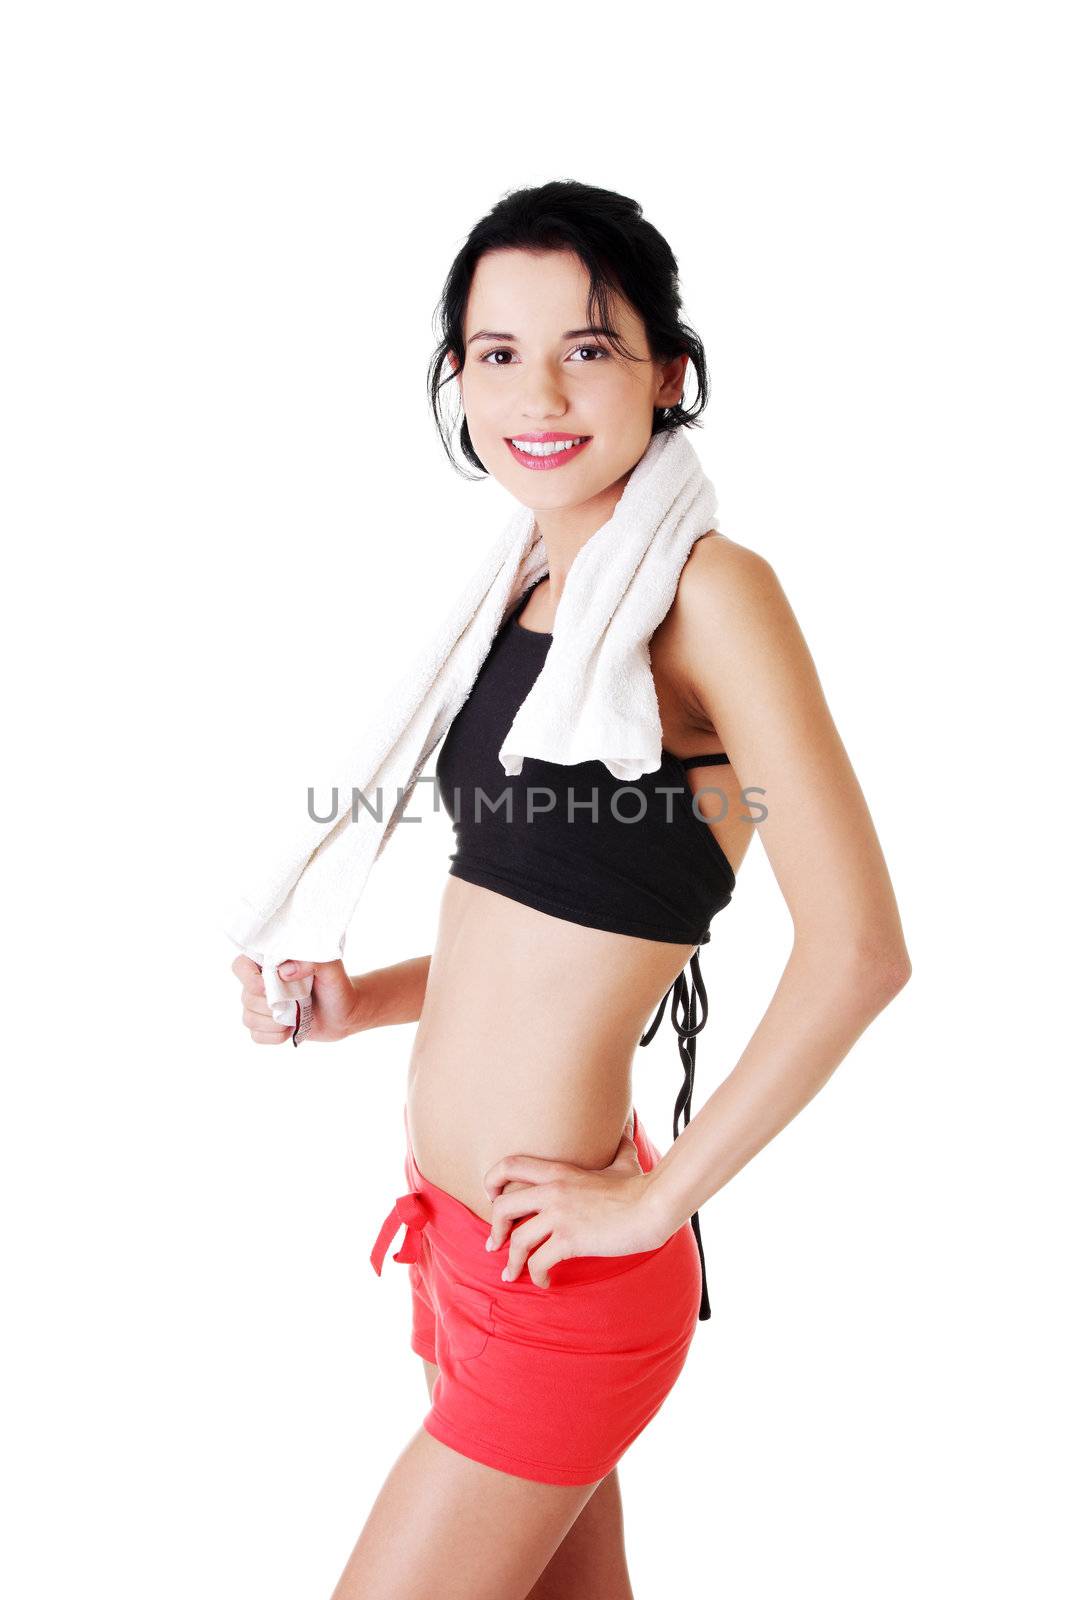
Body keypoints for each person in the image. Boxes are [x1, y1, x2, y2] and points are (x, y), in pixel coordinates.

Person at [230, 180, 911, 1600]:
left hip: (570, 1280)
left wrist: (649, 1208)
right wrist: (362, 1003)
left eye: (588, 348)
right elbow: (540, 926)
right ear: (457, 379)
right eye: (494, 352)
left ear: (671, 373)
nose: (536, 388)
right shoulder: (535, 595)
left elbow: (858, 952)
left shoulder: (711, 594)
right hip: (461, 1251)